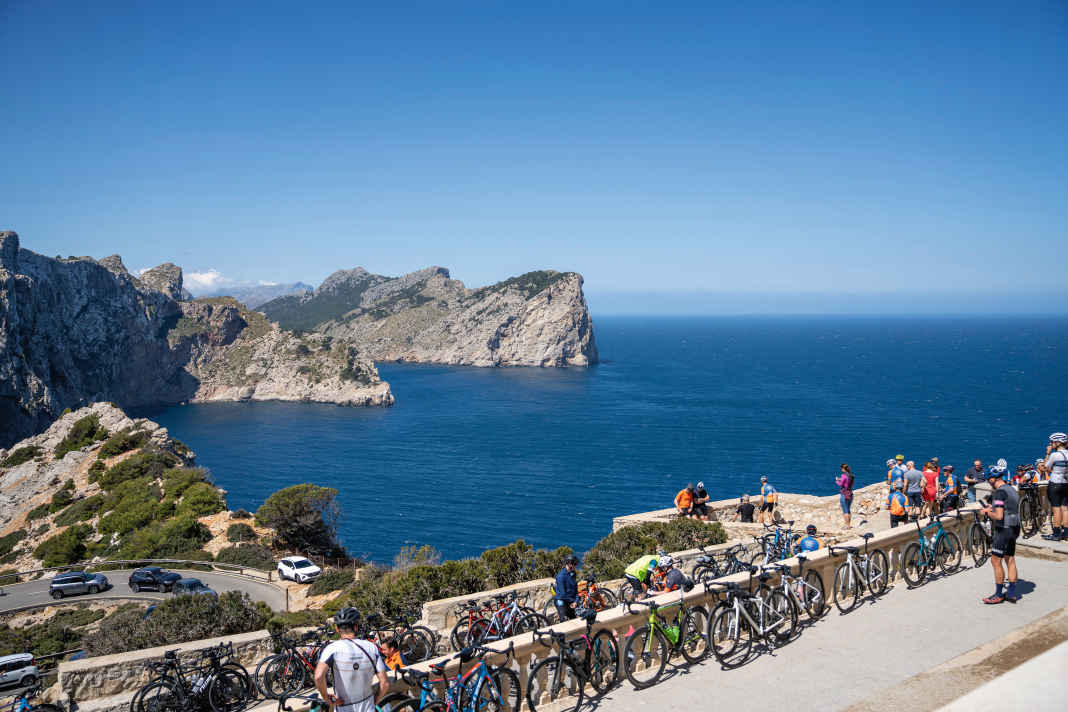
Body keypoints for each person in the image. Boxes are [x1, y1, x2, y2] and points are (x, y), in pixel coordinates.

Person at [315, 607, 389, 712]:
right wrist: (375, 701)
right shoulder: (371, 647)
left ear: (337, 629)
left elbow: (318, 676)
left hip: (344, 707)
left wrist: (327, 699)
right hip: (368, 706)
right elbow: (385, 683)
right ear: (356, 627)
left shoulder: (332, 648)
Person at [981, 467, 1021, 604]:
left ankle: (998, 595)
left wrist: (987, 512)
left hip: (1004, 529)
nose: (988, 482)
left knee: (995, 560)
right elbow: (1007, 507)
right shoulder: (1012, 490)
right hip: (1015, 527)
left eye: (989, 479)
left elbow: (998, 516)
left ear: (993, 479)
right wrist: (991, 508)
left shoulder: (999, 492)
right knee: (1010, 558)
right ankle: (1011, 593)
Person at [1042, 432, 1068, 541]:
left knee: (1056, 509)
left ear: (1058, 443)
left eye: (1052, 442)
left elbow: (1045, 468)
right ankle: (1066, 534)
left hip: (1055, 484)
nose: (1051, 444)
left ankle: (1056, 534)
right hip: (1066, 483)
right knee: (1065, 509)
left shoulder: (1054, 455)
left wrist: (1048, 453)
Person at [553, 554, 579, 621]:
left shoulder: (573, 573)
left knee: (573, 619)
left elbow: (575, 589)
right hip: (561, 600)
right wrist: (573, 601)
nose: (576, 566)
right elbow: (563, 594)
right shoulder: (561, 576)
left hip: (570, 601)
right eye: (574, 564)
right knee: (564, 620)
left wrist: (576, 601)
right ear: (569, 564)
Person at [837, 463, 855, 529]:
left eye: (841, 468)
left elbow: (841, 484)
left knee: (845, 511)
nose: (841, 470)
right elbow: (849, 483)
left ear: (843, 469)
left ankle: (846, 525)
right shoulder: (851, 476)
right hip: (850, 493)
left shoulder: (843, 476)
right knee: (848, 510)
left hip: (844, 494)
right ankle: (849, 524)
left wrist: (837, 480)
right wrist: (840, 479)